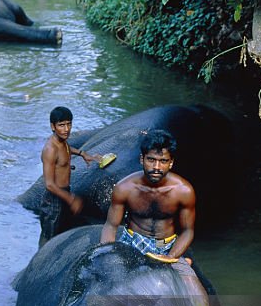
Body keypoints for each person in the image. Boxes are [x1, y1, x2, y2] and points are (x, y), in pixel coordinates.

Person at [100, 129, 195, 263]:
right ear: (141, 159)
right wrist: (107, 252)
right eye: (151, 159)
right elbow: (111, 225)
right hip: (132, 243)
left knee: (189, 280)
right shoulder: (125, 188)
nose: (156, 167)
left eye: (163, 161)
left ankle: (185, 263)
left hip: (166, 245)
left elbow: (187, 231)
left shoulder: (184, 191)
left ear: (171, 163)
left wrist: (171, 256)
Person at [39, 106, 99, 246]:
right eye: (61, 125)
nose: (66, 129)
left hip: (64, 193)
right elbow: (49, 184)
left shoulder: (62, 141)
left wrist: (82, 153)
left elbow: (66, 149)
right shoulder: (50, 149)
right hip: (54, 199)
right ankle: (41, 264)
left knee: (62, 232)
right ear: (53, 126)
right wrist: (71, 199)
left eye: (69, 124)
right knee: (49, 237)